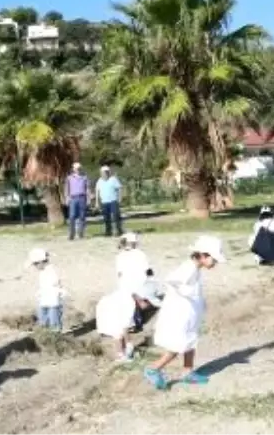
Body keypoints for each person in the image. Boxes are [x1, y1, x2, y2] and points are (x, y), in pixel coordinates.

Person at [144, 235, 225, 390]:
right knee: (177, 345)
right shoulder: (188, 268)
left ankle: (187, 371)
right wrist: (186, 293)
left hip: (189, 314)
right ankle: (153, 368)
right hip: (179, 314)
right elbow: (171, 280)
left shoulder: (195, 268)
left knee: (190, 341)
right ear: (203, 255)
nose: (215, 263)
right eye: (213, 259)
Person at [95, 286, 139, 363]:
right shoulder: (128, 303)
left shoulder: (127, 300)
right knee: (117, 334)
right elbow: (125, 326)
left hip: (110, 309)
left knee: (119, 333)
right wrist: (129, 344)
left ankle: (123, 354)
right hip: (109, 311)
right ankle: (121, 355)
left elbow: (125, 327)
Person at [28, 248, 65, 330]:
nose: (35, 267)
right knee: (43, 320)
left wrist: (58, 294)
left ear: (41, 262)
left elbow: (55, 285)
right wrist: (39, 293)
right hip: (44, 301)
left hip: (53, 302)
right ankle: (44, 332)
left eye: (35, 264)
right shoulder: (42, 272)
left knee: (54, 321)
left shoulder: (52, 271)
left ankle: (55, 336)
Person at [96, 165, 125, 237]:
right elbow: (97, 191)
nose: (104, 174)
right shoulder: (99, 181)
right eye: (102, 173)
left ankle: (119, 230)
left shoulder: (113, 179)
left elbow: (120, 188)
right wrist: (97, 202)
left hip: (113, 200)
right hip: (104, 202)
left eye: (105, 173)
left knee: (116, 216)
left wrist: (120, 198)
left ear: (108, 173)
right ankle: (108, 231)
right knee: (106, 218)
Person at [66, 162, 91, 240]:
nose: (78, 170)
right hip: (73, 198)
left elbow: (88, 189)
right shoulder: (69, 178)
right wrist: (67, 198)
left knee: (82, 216)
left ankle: (81, 234)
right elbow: (67, 189)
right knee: (72, 216)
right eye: (76, 168)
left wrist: (89, 199)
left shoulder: (85, 177)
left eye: (79, 168)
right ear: (73, 169)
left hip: (82, 198)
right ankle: (71, 234)